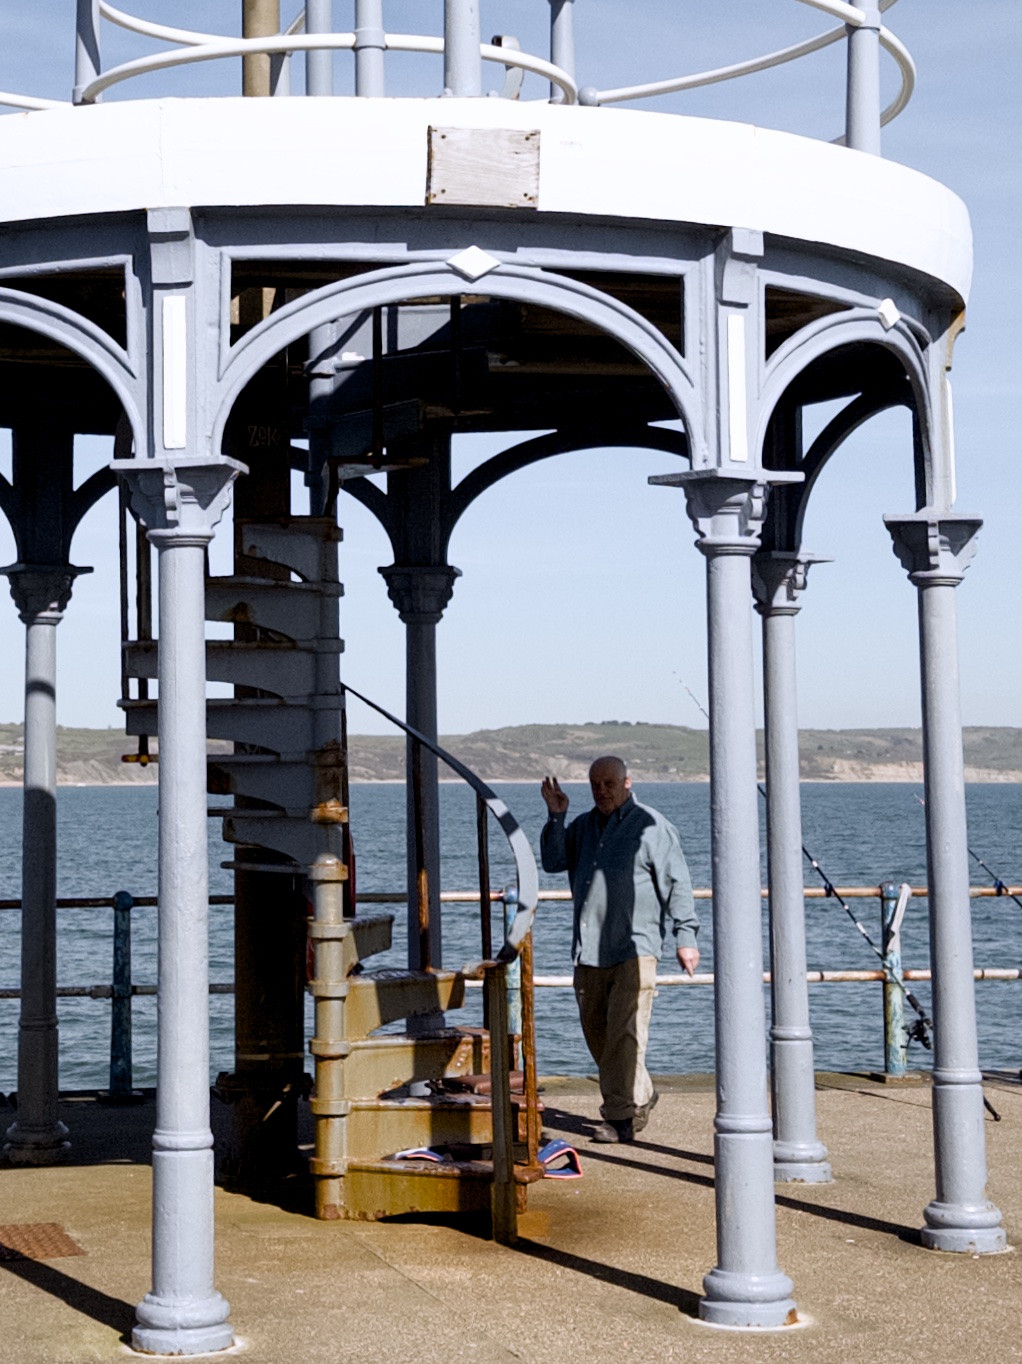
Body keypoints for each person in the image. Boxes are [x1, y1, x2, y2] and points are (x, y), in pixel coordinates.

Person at [540, 756, 700, 1143]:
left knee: (624, 1034)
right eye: (595, 784)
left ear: (628, 782)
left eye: (609, 783)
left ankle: (619, 1119)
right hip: (589, 948)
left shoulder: (652, 826)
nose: (602, 791)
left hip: (636, 947)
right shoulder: (581, 826)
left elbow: (677, 881)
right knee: (597, 1034)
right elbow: (553, 861)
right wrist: (556, 816)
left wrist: (686, 936)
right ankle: (641, 1093)